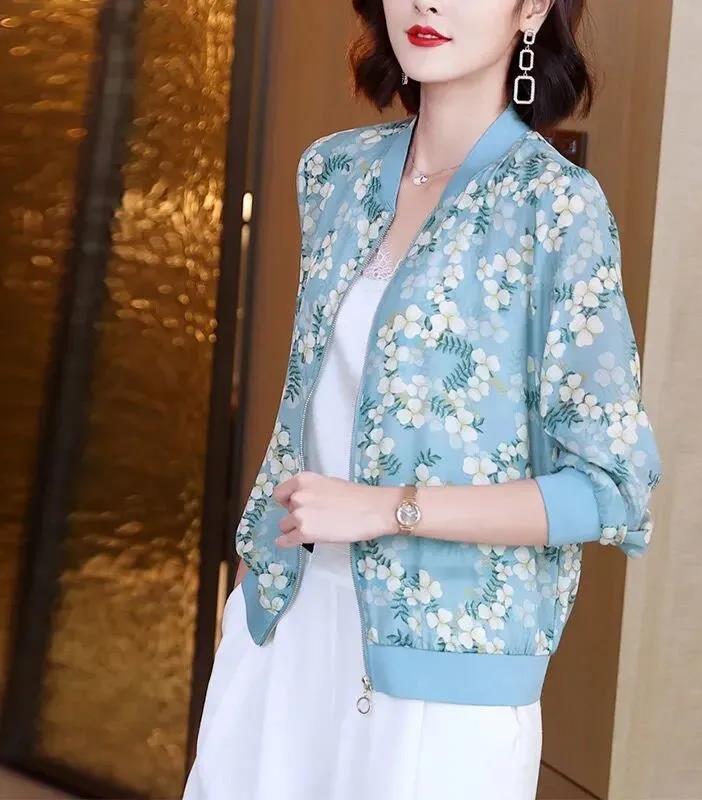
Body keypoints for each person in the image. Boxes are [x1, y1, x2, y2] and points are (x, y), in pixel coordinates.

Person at [183, 0, 663, 797]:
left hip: (446, 671)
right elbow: (316, 403)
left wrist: (385, 508)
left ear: (532, 7)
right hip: (285, 622)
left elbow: (610, 489)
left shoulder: (555, 208)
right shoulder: (333, 173)